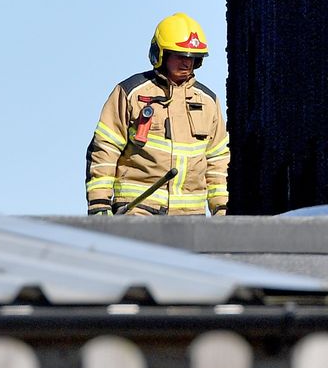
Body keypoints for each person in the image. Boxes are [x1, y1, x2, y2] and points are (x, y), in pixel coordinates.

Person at [85, 12, 229, 216]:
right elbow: (104, 149)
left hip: (191, 217)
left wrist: (221, 210)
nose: (186, 63)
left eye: (192, 57)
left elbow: (218, 161)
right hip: (137, 210)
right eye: (180, 55)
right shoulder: (131, 93)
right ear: (161, 54)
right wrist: (99, 204)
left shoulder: (208, 102)